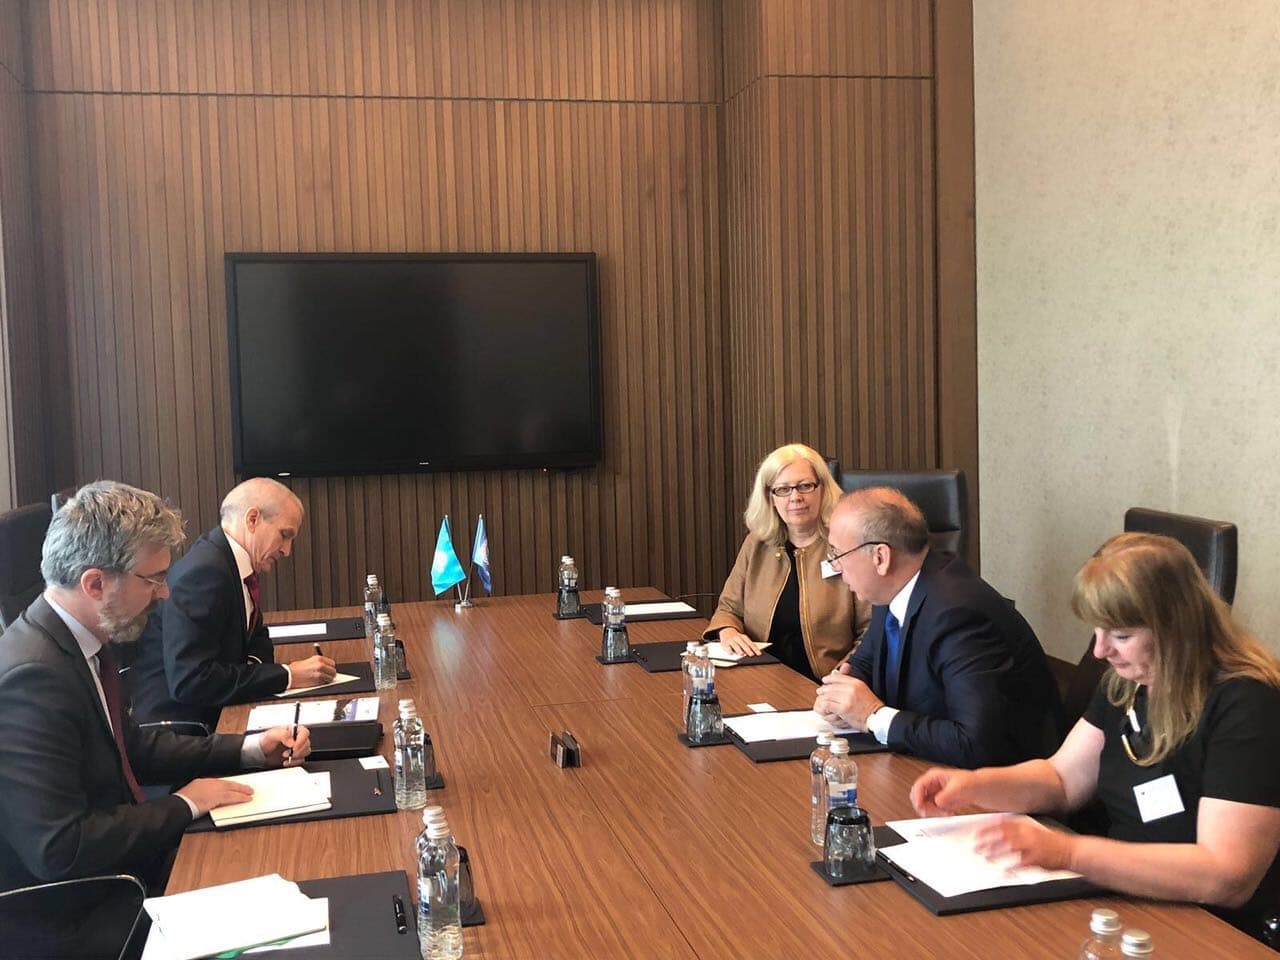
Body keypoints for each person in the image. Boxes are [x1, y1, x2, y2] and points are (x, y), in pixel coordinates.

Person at [909, 532, 1280, 942]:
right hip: (1129, 898)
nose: (1101, 651)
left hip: (1213, 928)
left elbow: (1227, 876)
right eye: (1098, 631)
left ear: (1178, 628)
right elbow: (1062, 780)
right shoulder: (1126, 684)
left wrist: (1068, 852)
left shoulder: (1248, 702)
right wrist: (974, 785)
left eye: (1121, 636)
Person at [0, 481, 311, 900]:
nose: (165, 593)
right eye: (153, 579)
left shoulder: (80, 644)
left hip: (129, 863)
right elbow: (62, 848)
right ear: (95, 584)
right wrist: (185, 804)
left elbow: (133, 749)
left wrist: (250, 749)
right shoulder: (32, 678)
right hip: (91, 904)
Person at [813, 487, 1060, 768]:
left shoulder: (958, 613)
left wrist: (872, 716)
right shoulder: (892, 589)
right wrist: (840, 695)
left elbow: (975, 743)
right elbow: (866, 662)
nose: (835, 566)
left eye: (838, 554)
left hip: (1005, 780)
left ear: (880, 557)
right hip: (926, 764)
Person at [129, 477, 336, 730]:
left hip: (216, 710)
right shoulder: (204, 573)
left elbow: (258, 639)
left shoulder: (228, 562)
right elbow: (191, 682)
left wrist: (252, 672)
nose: (286, 550)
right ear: (253, 519)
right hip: (185, 727)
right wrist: (288, 675)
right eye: (284, 535)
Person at [706, 443, 870, 680]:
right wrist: (728, 631)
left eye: (805, 486)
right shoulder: (756, 544)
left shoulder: (848, 544)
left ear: (823, 488)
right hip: (758, 677)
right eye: (783, 489)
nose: (795, 497)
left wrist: (841, 677)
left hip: (826, 683)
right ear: (770, 497)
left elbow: (870, 632)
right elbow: (729, 609)